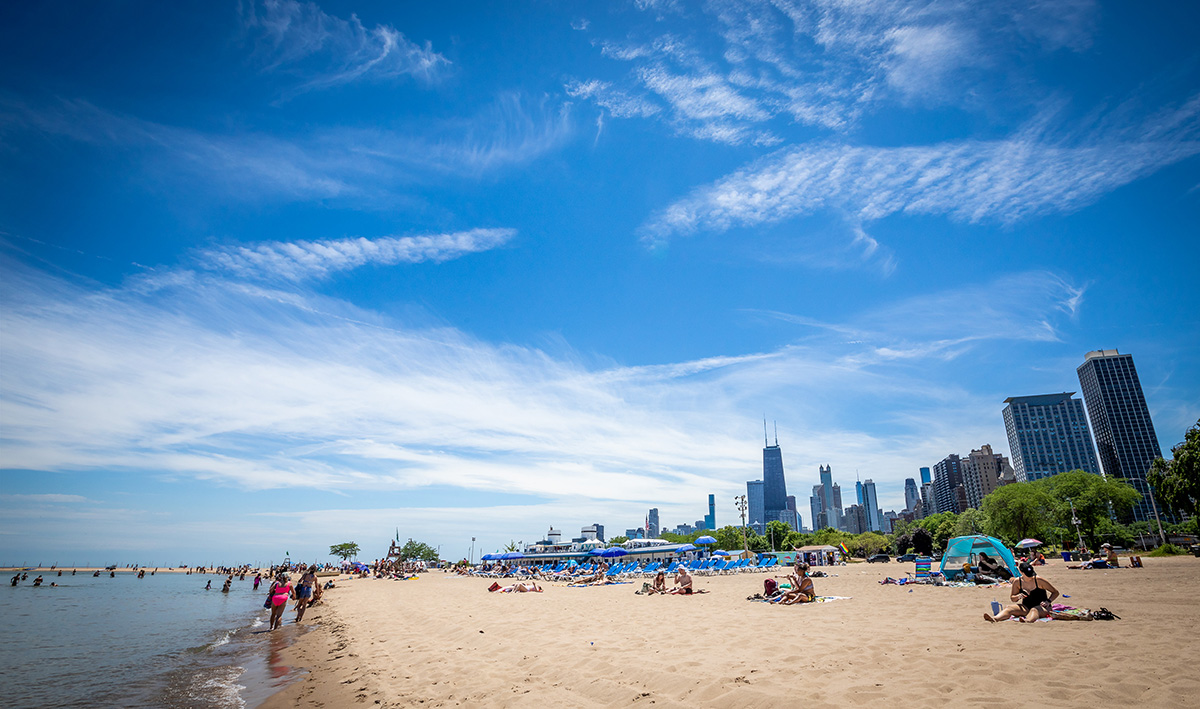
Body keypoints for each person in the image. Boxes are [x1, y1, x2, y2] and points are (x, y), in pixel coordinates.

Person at [984, 562, 1060, 623]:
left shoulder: (1039, 580)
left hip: (1042, 607)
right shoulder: (1017, 582)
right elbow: (1013, 598)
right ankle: (995, 618)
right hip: (1026, 607)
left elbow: (1055, 592)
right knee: (1009, 608)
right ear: (1021, 572)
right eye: (1028, 574)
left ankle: (1028, 620)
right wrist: (1018, 596)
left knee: (1034, 610)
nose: (1030, 576)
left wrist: (1048, 601)